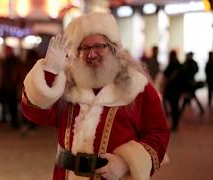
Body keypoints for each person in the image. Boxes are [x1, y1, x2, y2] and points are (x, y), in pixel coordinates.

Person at [21, 12, 170, 180]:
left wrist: (126, 163)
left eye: (99, 46)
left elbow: (158, 134)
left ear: (113, 48)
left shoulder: (139, 88)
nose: (91, 54)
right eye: (84, 48)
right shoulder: (67, 86)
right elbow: (35, 112)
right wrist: (50, 72)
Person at [0, 46, 20, 128]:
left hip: (11, 86)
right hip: (7, 86)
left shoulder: (13, 60)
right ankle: (12, 121)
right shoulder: (7, 61)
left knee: (12, 105)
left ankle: (14, 122)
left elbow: (14, 73)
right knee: (10, 105)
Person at [163, 50, 183, 131]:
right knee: (175, 107)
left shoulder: (172, 64)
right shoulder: (179, 65)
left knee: (174, 107)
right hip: (177, 89)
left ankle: (175, 124)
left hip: (173, 90)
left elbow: (165, 73)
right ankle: (175, 124)